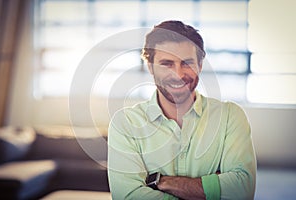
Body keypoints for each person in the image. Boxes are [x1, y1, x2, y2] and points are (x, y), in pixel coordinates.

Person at [107, 20, 256, 200]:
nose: (178, 74)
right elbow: (128, 197)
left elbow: (242, 191)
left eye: (186, 63)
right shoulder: (126, 124)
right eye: (167, 63)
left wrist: (165, 183)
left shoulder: (230, 117)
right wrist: (212, 189)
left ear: (200, 65)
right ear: (150, 67)